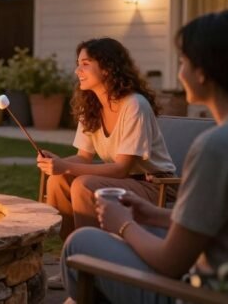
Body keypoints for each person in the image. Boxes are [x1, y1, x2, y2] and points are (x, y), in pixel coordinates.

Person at [61, 10, 228, 303]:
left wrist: (122, 224)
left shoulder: (217, 147)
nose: (179, 73)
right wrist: (155, 214)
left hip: (199, 294)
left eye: (183, 62)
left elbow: (171, 262)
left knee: (80, 244)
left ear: (202, 72)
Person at [40, 38, 176, 240]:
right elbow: (83, 157)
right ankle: (71, 247)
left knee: (83, 185)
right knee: (57, 180)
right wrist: (55, 164)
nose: (78, 71)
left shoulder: (134, 105)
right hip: (120, 181)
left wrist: (65, 167)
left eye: (85, 64)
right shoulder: (91, 106)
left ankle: (94, 254)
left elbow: (121, 168)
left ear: (107, 68)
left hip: (154, 185)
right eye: (78, 64)